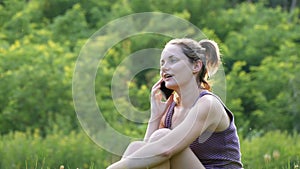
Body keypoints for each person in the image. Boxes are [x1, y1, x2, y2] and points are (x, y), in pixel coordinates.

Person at [107, 38, 243, 169]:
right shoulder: (170, 111)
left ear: (196, 66)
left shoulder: (208, 104)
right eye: (162, 63)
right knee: (136, 147)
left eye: (173, 60)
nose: (164, 68)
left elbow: (164, 151)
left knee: (161, 138)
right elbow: (146, 155)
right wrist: (155, 116)